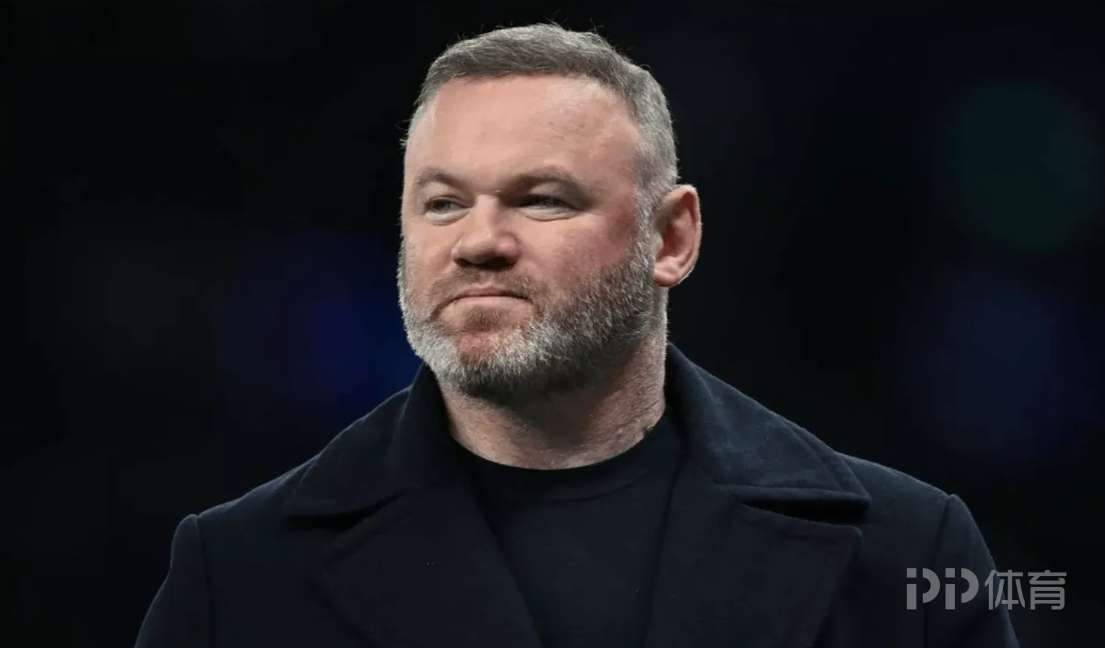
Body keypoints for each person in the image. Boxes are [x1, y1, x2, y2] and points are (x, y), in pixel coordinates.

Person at [136, 24, 1019, 647]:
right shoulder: (240, 569)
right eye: (441, 203)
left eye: (542, 199)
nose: (478, 241)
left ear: (670, 238)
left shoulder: (907, 551)